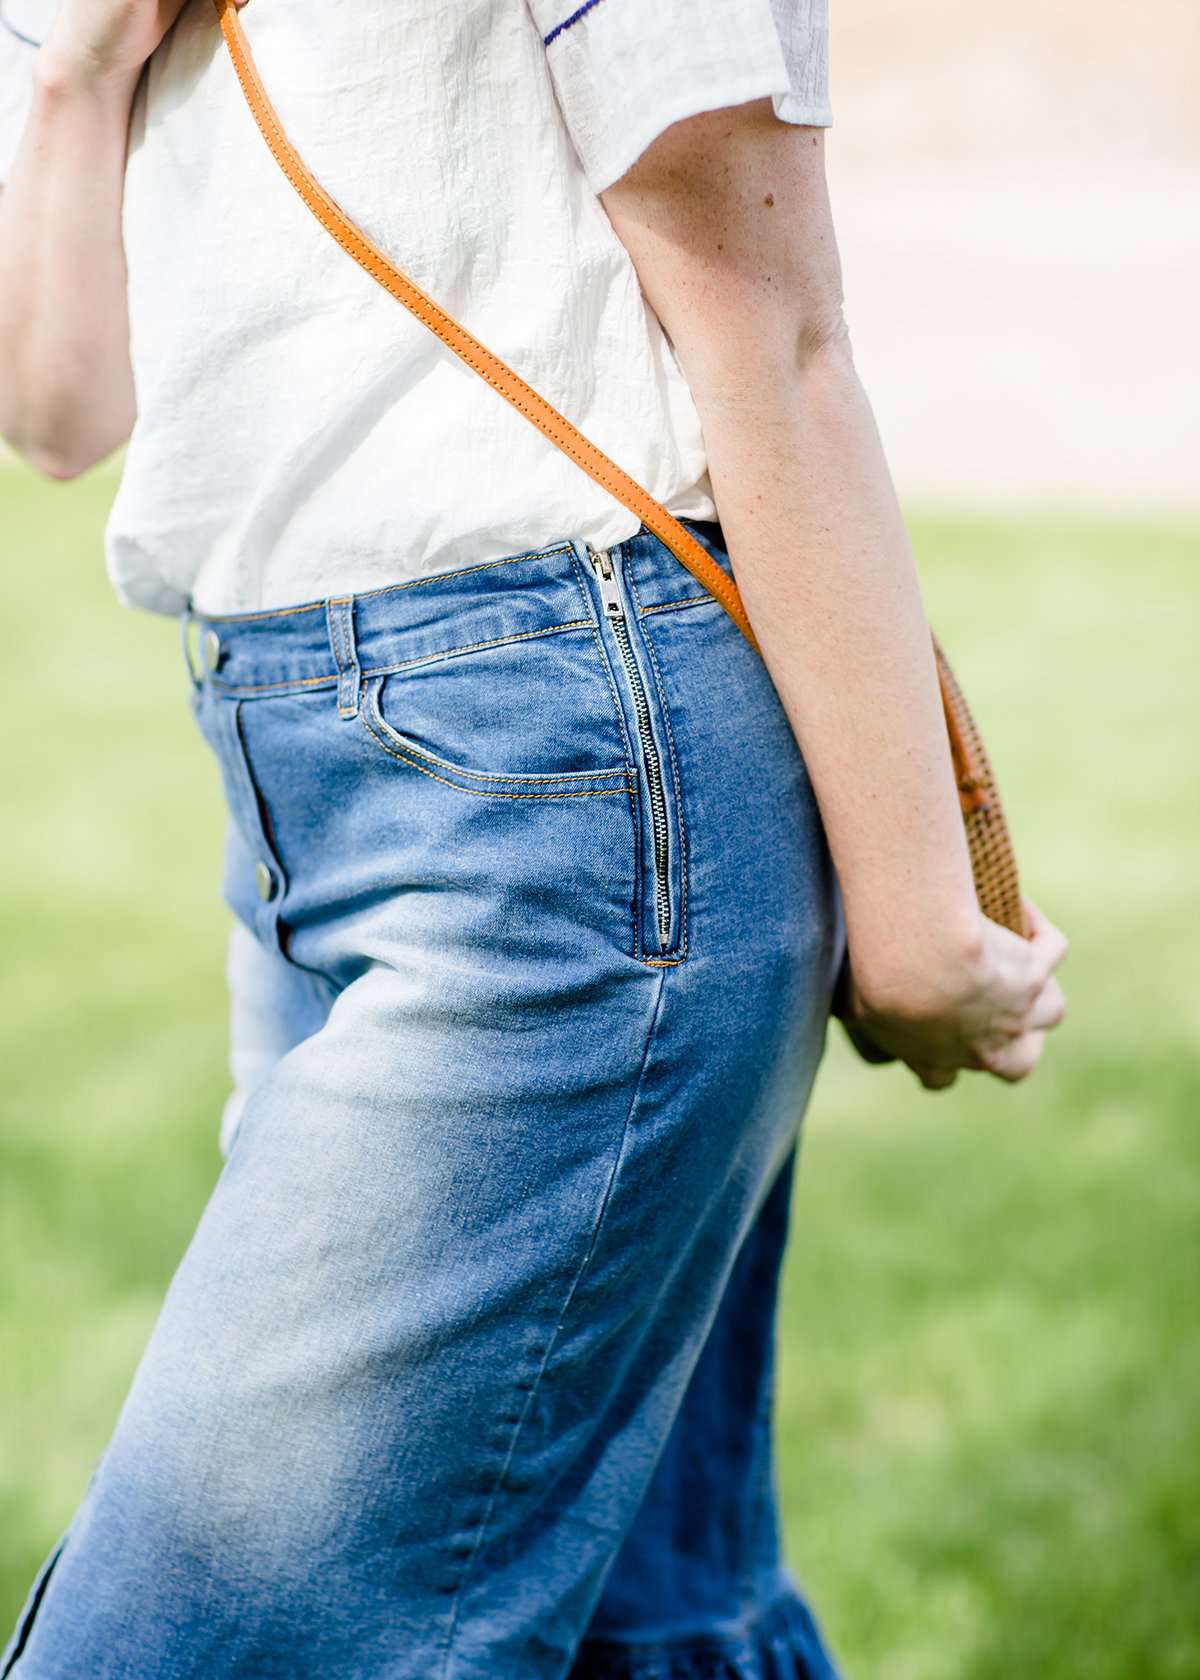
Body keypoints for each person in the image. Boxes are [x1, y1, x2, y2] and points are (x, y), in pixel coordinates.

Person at [0, 0, 1069, 1674]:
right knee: (639, 1627)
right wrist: (74, 72)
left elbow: (774, 332)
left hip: (569, 784)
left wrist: (924, 917)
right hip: (296, 771)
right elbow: (58, 411)